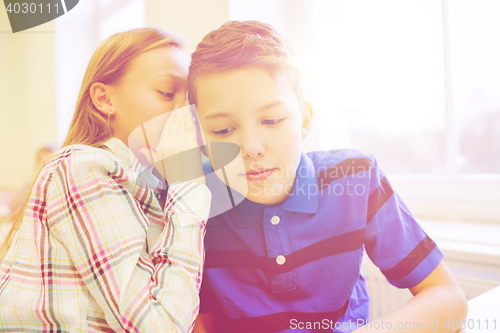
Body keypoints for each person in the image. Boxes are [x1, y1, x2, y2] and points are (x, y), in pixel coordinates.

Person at [187, 21, 468, 333]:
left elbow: (448, 298)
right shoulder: (192, 199)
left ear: (304, 120)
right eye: (223, 130)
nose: (251, 148)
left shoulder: (355, 178)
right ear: (201, 136)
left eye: (272, 119)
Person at [0, 28, 211, 332]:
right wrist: (188, 185)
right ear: (103, 98)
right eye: (166, 92)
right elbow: (159, 326)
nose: (185, 111)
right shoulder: (82, 167)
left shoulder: (145, 186)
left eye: (190, 99)